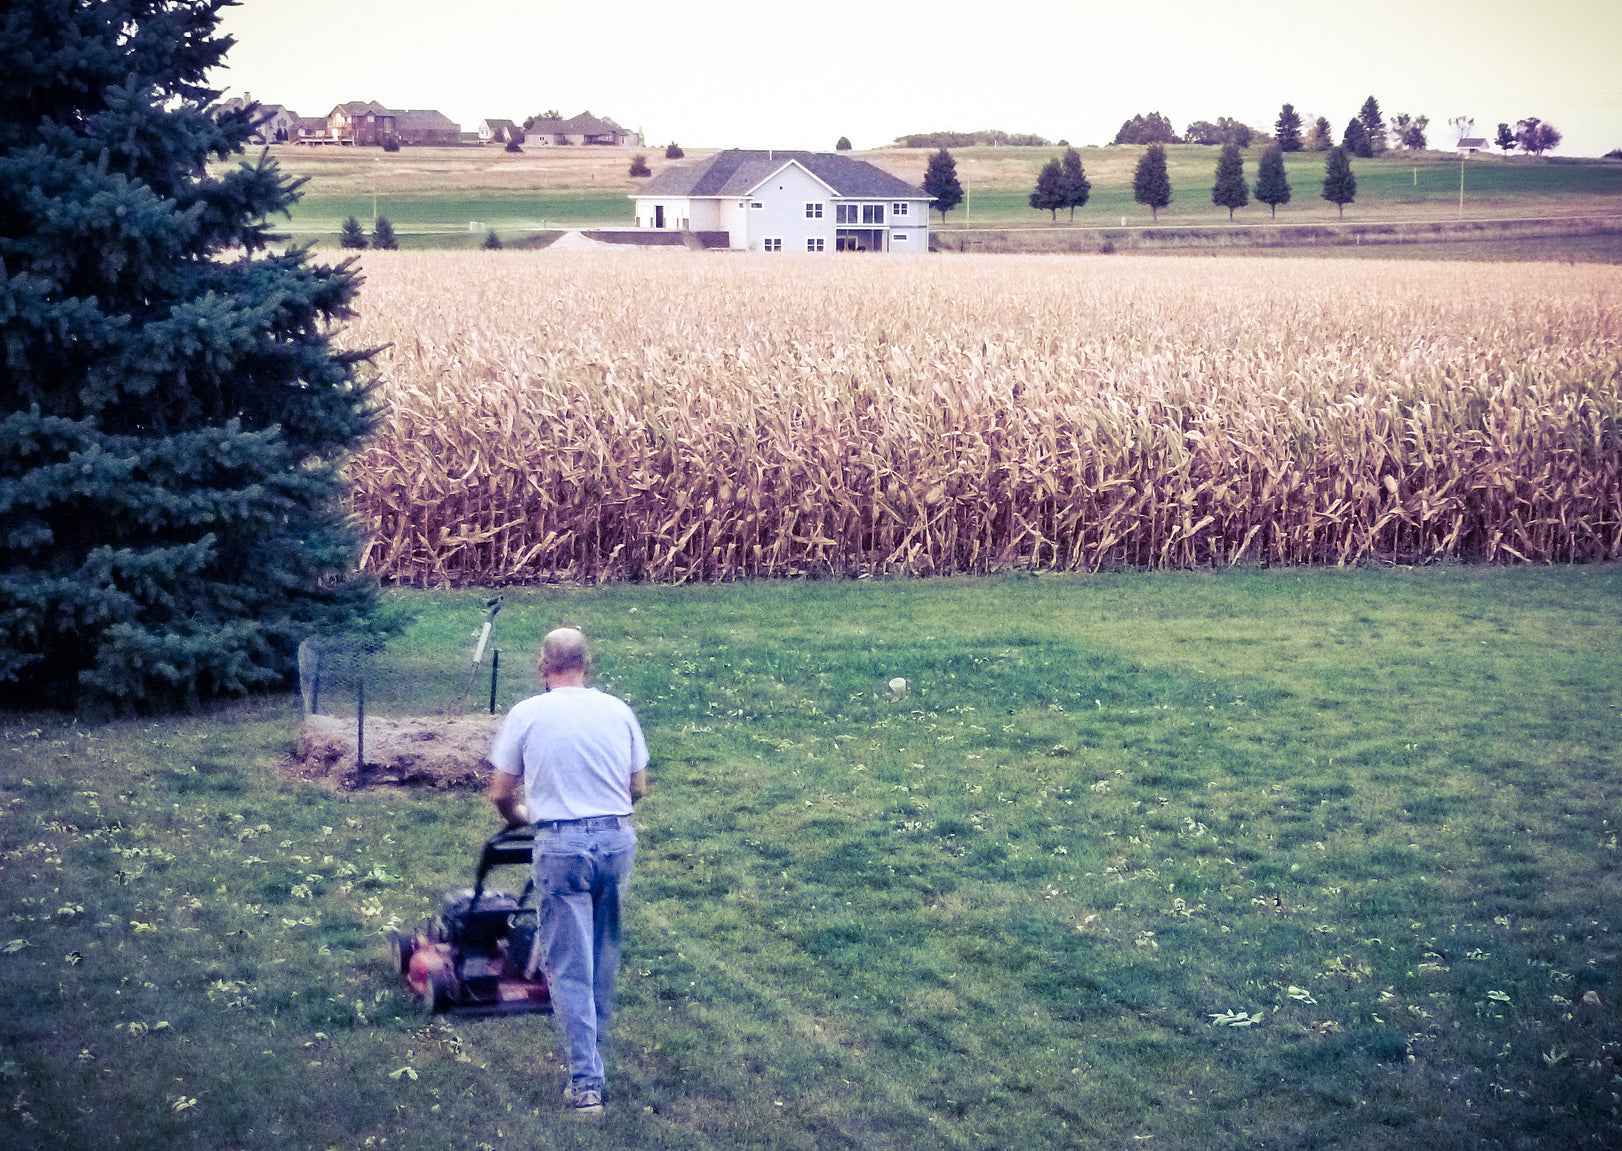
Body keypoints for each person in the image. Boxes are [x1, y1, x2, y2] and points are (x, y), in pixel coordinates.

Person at [489, 626, 649, 1115]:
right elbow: (638, 786)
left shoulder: (527, 714)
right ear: (588, 664)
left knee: (569, 966)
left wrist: (521, 821)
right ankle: (593, 1052)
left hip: (561, 846)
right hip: (616, 839)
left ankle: (586, 1084)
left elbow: (501, 792)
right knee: (603, 953)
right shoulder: (618, 710)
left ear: (543, 666)